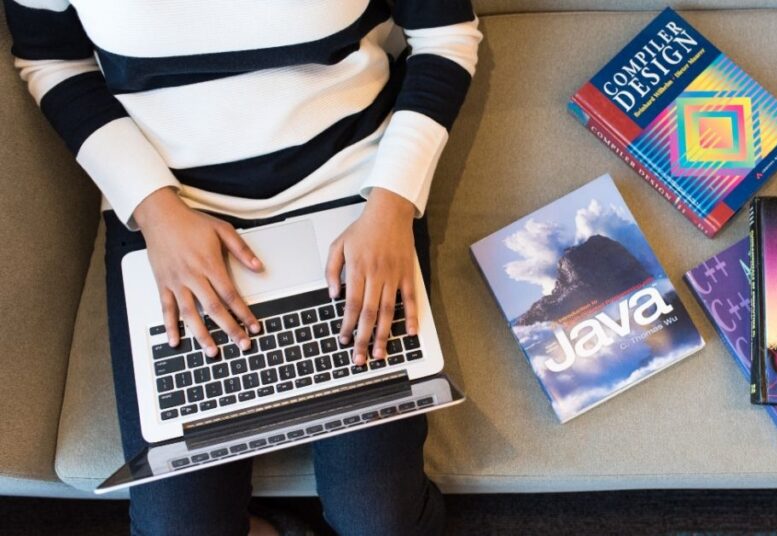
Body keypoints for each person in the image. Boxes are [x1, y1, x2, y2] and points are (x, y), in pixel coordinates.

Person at [4, 1, 481, 534]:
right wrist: (154, 210)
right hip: (171, 209)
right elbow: (53, 59)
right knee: (178, 528)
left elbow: (446, 35)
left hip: (354, 191)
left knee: (379, 518)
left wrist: (393, 204)